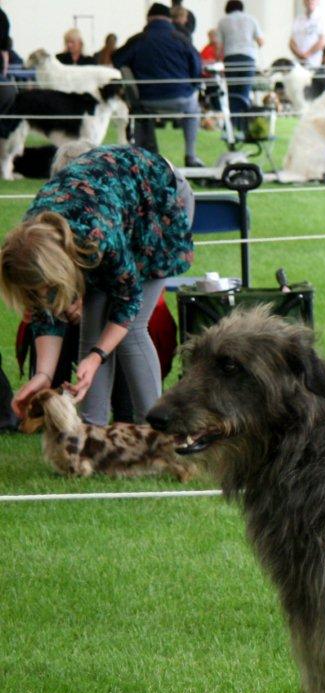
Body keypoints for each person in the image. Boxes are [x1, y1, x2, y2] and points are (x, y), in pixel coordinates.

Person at [1, 145, 194, 427]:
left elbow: (129, 300)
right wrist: (43, 375)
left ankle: (155, 435)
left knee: (132, 331)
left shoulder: (94, 235)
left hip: (159, 198)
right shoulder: (30, 241)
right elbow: (45, 309)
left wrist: (98, 355)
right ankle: (92, 431)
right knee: (90, 333)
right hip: (111, 203)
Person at [114, 4, 205, 169]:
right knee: (194, 108)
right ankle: (191, 156)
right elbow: (197, 67)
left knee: (139, 111)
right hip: (181, 99)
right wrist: (192, 86)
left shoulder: (138, 40)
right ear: (169, 19)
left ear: (148, 19)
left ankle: (145, 157)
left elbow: (117, 60)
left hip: (148, 100)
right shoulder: (182, 39)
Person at [216, 0, 264, 127]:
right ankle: (244, 123)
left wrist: (217, 59)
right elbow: (261, 41)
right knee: (244, 91)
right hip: (248, 57)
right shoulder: (251, 19)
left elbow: (218, 46)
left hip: (230, 57)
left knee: (232, 91)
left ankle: (232, 123)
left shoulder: (222, 21)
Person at [289, 0, 325, 69]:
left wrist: (307, 54)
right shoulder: (298, 20)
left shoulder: (323, 18)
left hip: (316, 63)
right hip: (299, 64)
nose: (310, 1)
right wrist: (300, 55)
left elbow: (323, 41)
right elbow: (291, 42)